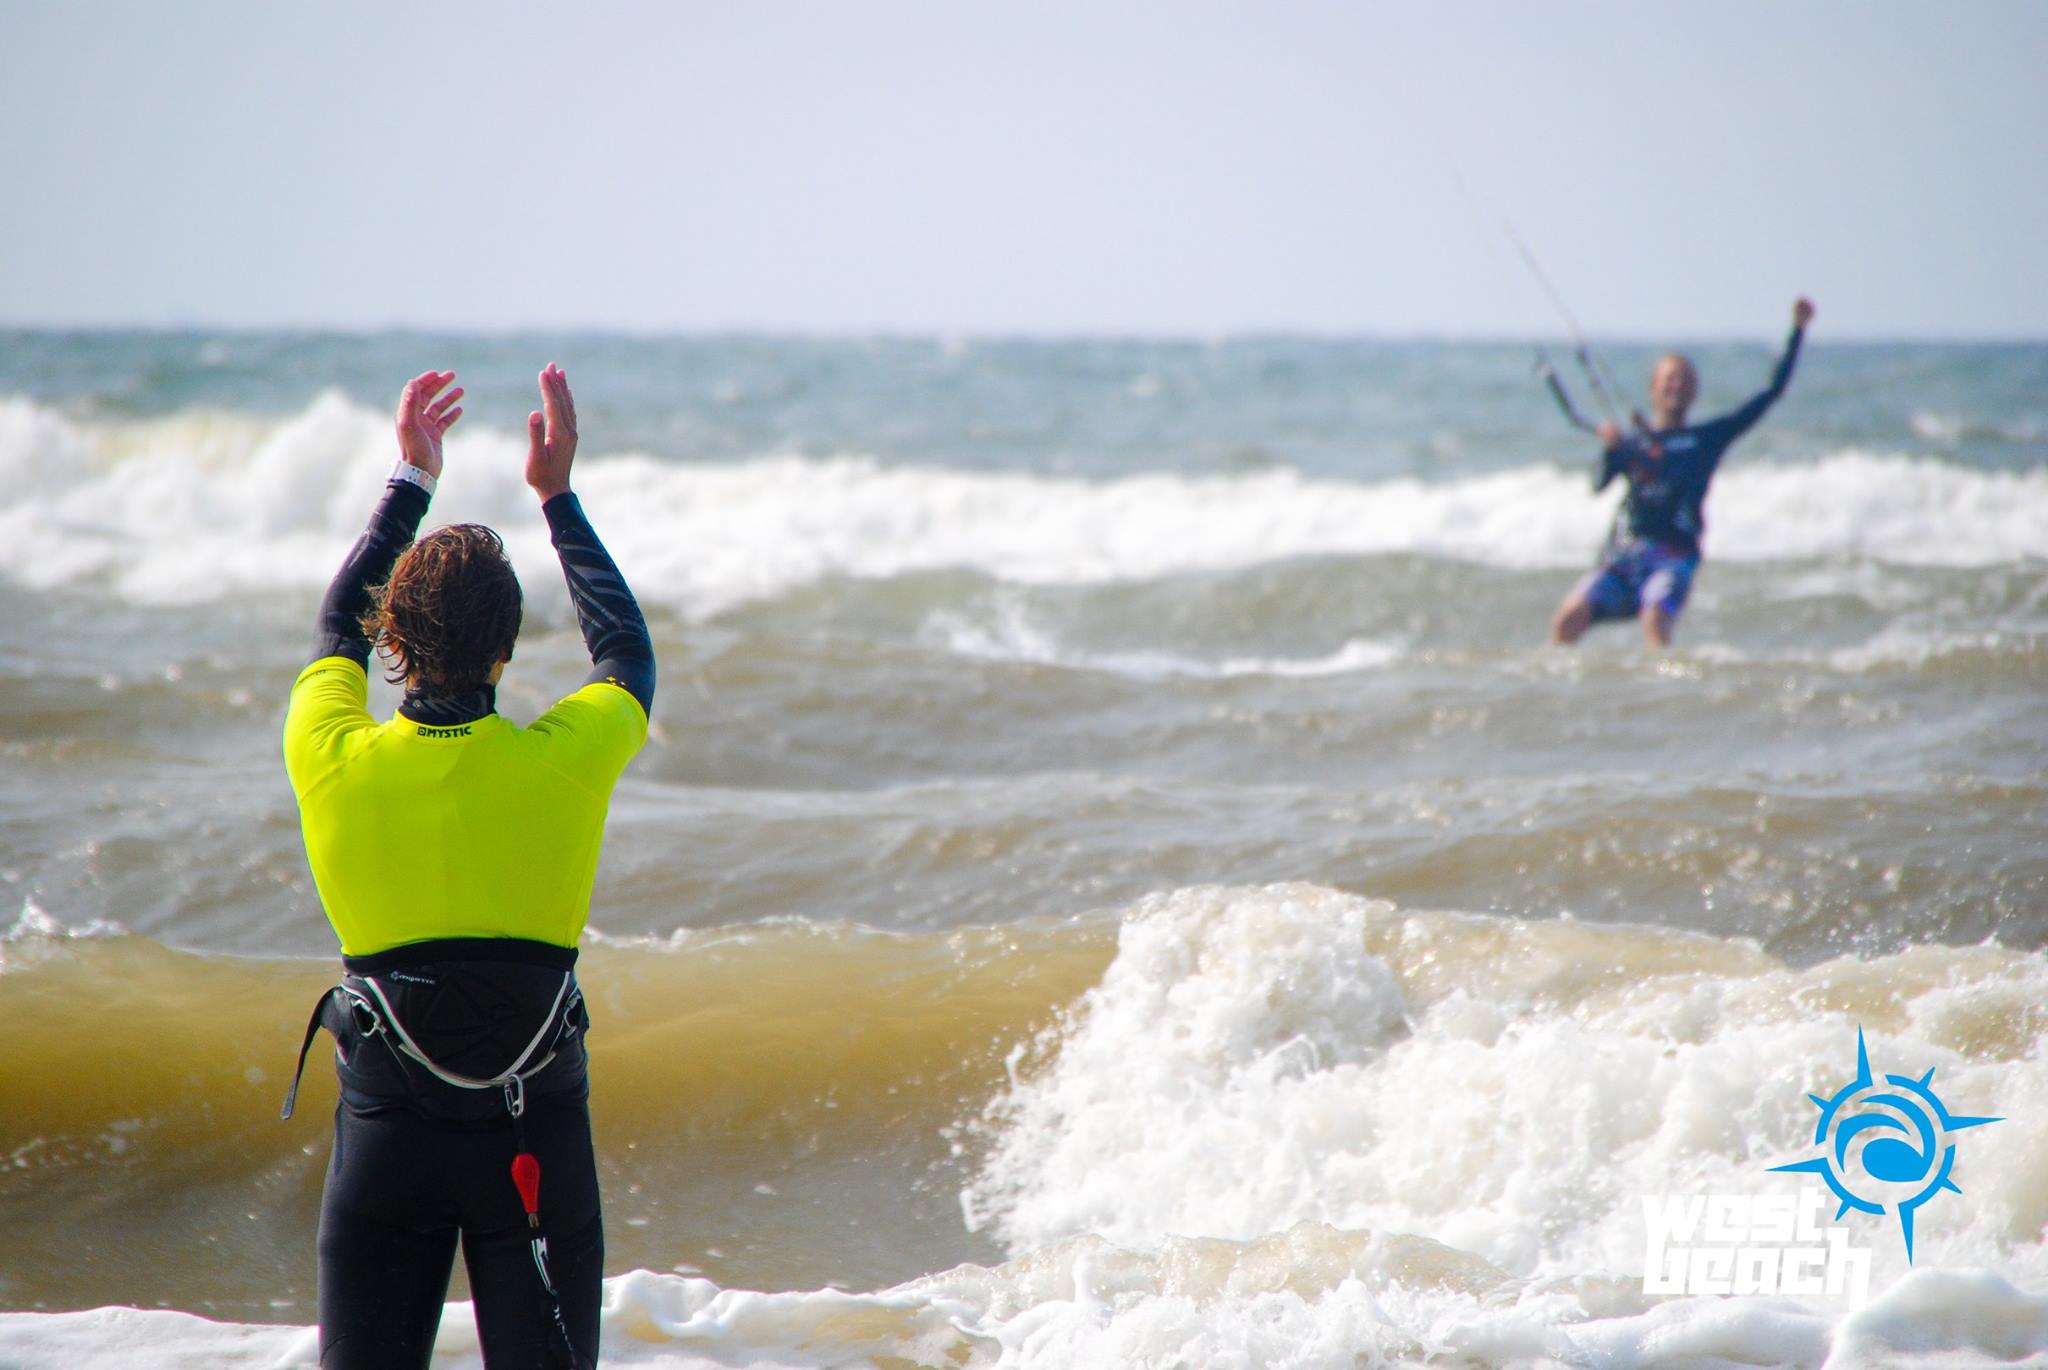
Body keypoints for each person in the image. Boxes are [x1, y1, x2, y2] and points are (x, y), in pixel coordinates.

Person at [280, 364, 654, 1370]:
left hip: (387, 1142)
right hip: (533, 1139)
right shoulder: (565, 761)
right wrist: (558, 497)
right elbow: (625, 654)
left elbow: (333, 627)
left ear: (393, 639)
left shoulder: (329, 753)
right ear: (509, 649)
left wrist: (411, 476)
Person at [1550, 297, 1816, 648]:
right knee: (1568, 619)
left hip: (1674, 556)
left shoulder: (1706, 440)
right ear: (1653, 389)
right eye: (1669, 379)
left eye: (1684, 380)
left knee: (1654, 619)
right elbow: (1597, 485)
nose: (1676, 385)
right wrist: (1610, 449)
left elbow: (1771, 393)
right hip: (1624, 555)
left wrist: (1797, 331)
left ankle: (1661, 683)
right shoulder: (1633, 444)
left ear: (1694, 392)